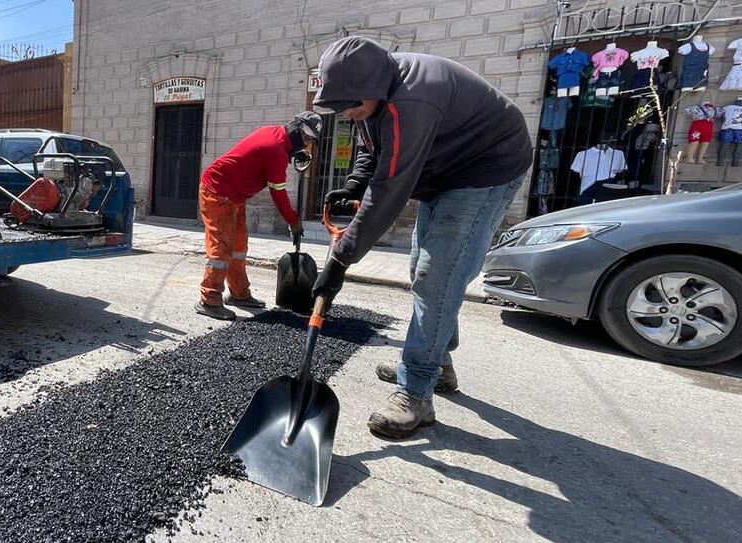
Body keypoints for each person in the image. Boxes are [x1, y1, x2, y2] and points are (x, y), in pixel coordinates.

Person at [311, 36, 530, 438]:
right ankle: (437, 364)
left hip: (485, 168)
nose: (349, 113)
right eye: (341, 108)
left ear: (373, 87)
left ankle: (416, 392)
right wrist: (356, 181)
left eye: (352, 105)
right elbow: (371, 146)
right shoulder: (371, 95)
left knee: (438, 276)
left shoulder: (411, 101)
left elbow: (389, 190)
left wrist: (341, 259)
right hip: (442, 171)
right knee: (424, 271)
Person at [196, 111, 323, 320]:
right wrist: (293, 221)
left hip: (235, 196)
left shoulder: (276, 138)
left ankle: (239, 294)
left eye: (310, 141)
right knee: (222, 247)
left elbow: (262, 156)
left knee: (238, 247)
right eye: (306, 138)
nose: (307, 143)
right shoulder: (276, 151)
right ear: (296, 129)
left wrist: (290, 155)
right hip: (217, 192)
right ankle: (209, 299)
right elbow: (278, 194)